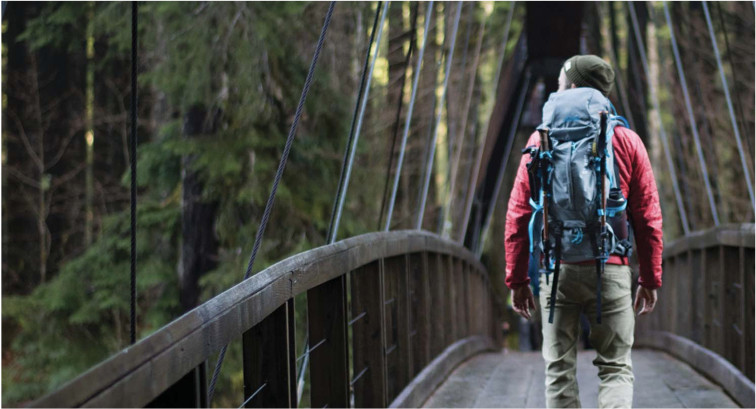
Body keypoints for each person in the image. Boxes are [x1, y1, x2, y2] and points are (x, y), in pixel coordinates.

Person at [504, 55, 663, 408]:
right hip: (612, 268)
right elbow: (648, 216)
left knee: (559, 369)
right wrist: (650, 278)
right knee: (616, 367)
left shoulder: (539, 138)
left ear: (574, 86)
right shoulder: (626, 140)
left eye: (563, 79)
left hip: (557, 270)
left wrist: (517, 279)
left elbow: (517, 214)